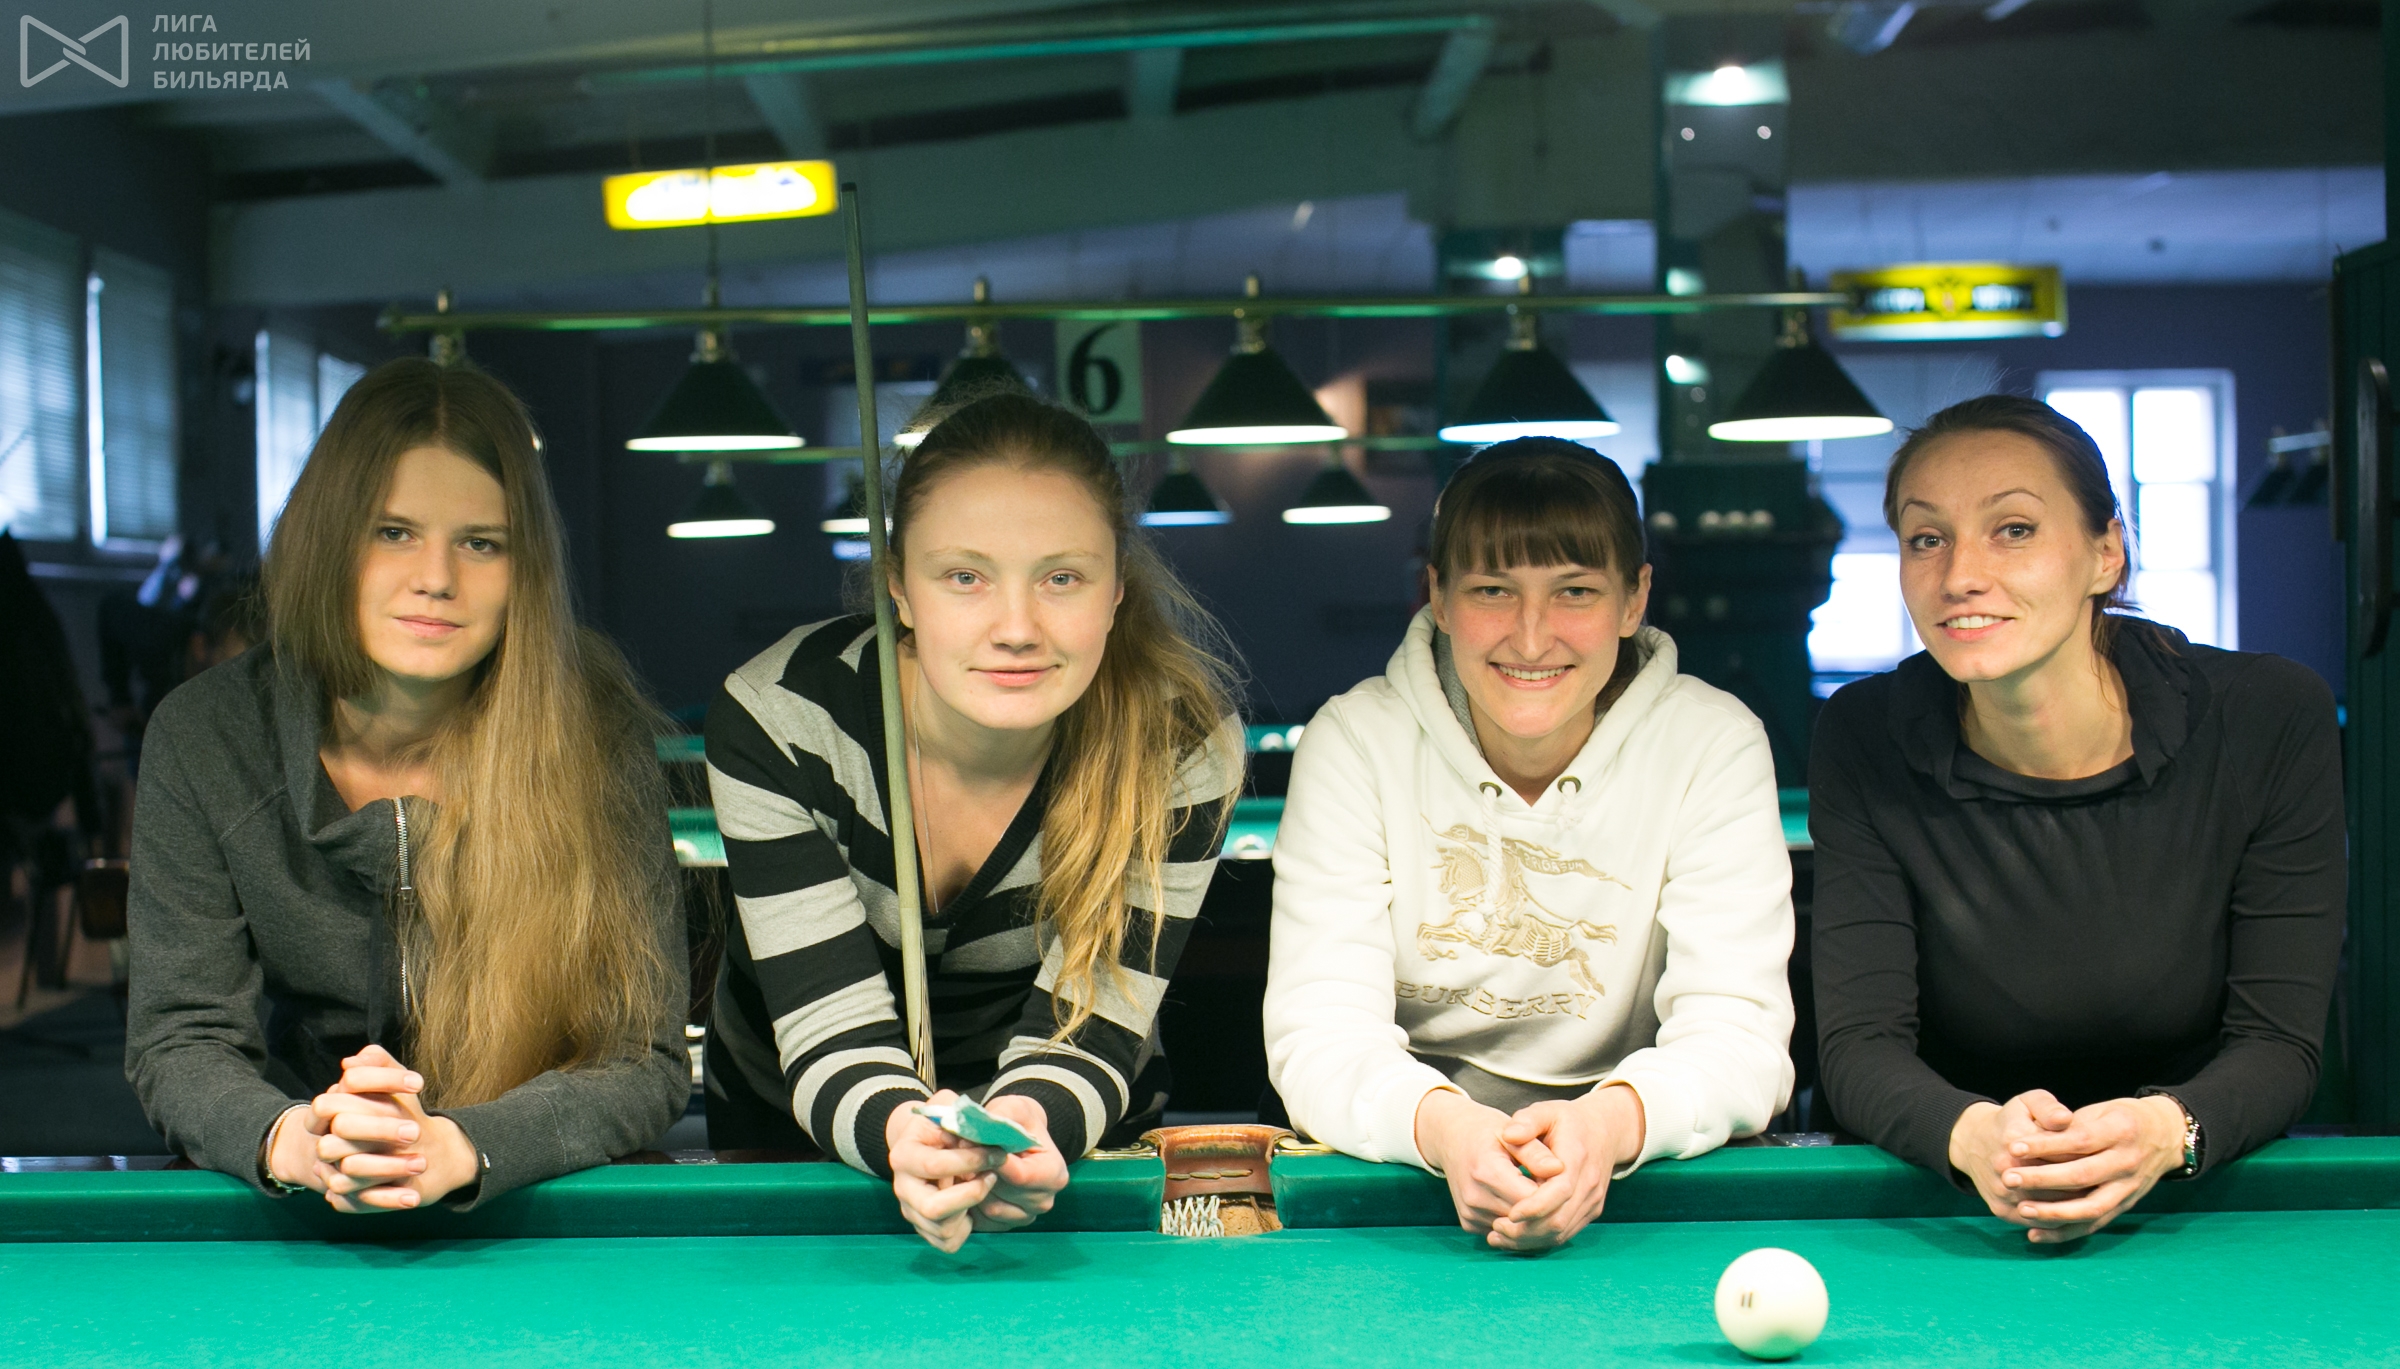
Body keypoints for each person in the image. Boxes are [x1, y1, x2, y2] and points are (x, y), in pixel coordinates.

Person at [126, 358, 688, 1211]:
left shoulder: (596, 734)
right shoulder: (207, 733)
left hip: (528, 1200)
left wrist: (461, 1145)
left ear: (525, 571)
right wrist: (297, 1141)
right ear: (327, 540)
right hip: (304, 1192)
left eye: (481, 542)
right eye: (393, 531)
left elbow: (643, 1060)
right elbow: (181, 1037)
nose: (437, 577)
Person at [703, 391, 1241, 1252]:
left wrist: (1023, 1126)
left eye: (1062, 577)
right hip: (799, 1135)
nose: (1017, 628)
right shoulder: (783, 718)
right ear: (899, 586)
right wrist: (905, 1134)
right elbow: (829, 1028)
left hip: (1063, 1136)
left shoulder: (1179, 743)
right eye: (965, 577)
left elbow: (1091, 1027)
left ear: (1116, 590)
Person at [1812, 394, 2344, 1243]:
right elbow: (1859, 1046)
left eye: (2014, 529)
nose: (1959, 575)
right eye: (1926, 538)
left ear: (2106, 553)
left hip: (2195, 1202)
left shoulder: (2269, 716)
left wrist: (2166, 1130)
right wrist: (1972, 1136)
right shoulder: (1864, 733)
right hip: (1958, 1201)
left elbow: (2280, 1044)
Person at [1264, 437, 1795, 1252]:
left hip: (1639, 1174)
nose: (1533, 636)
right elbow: (1321, 1032)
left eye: (1575, 590)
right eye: (1493, 590)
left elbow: (1739, 1035)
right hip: (1400, 1169)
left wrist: (1607, 1126)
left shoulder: (1712, 743)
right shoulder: (1356, 741)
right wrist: (1449, 1130)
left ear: (1634, 600)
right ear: (1439, 597)